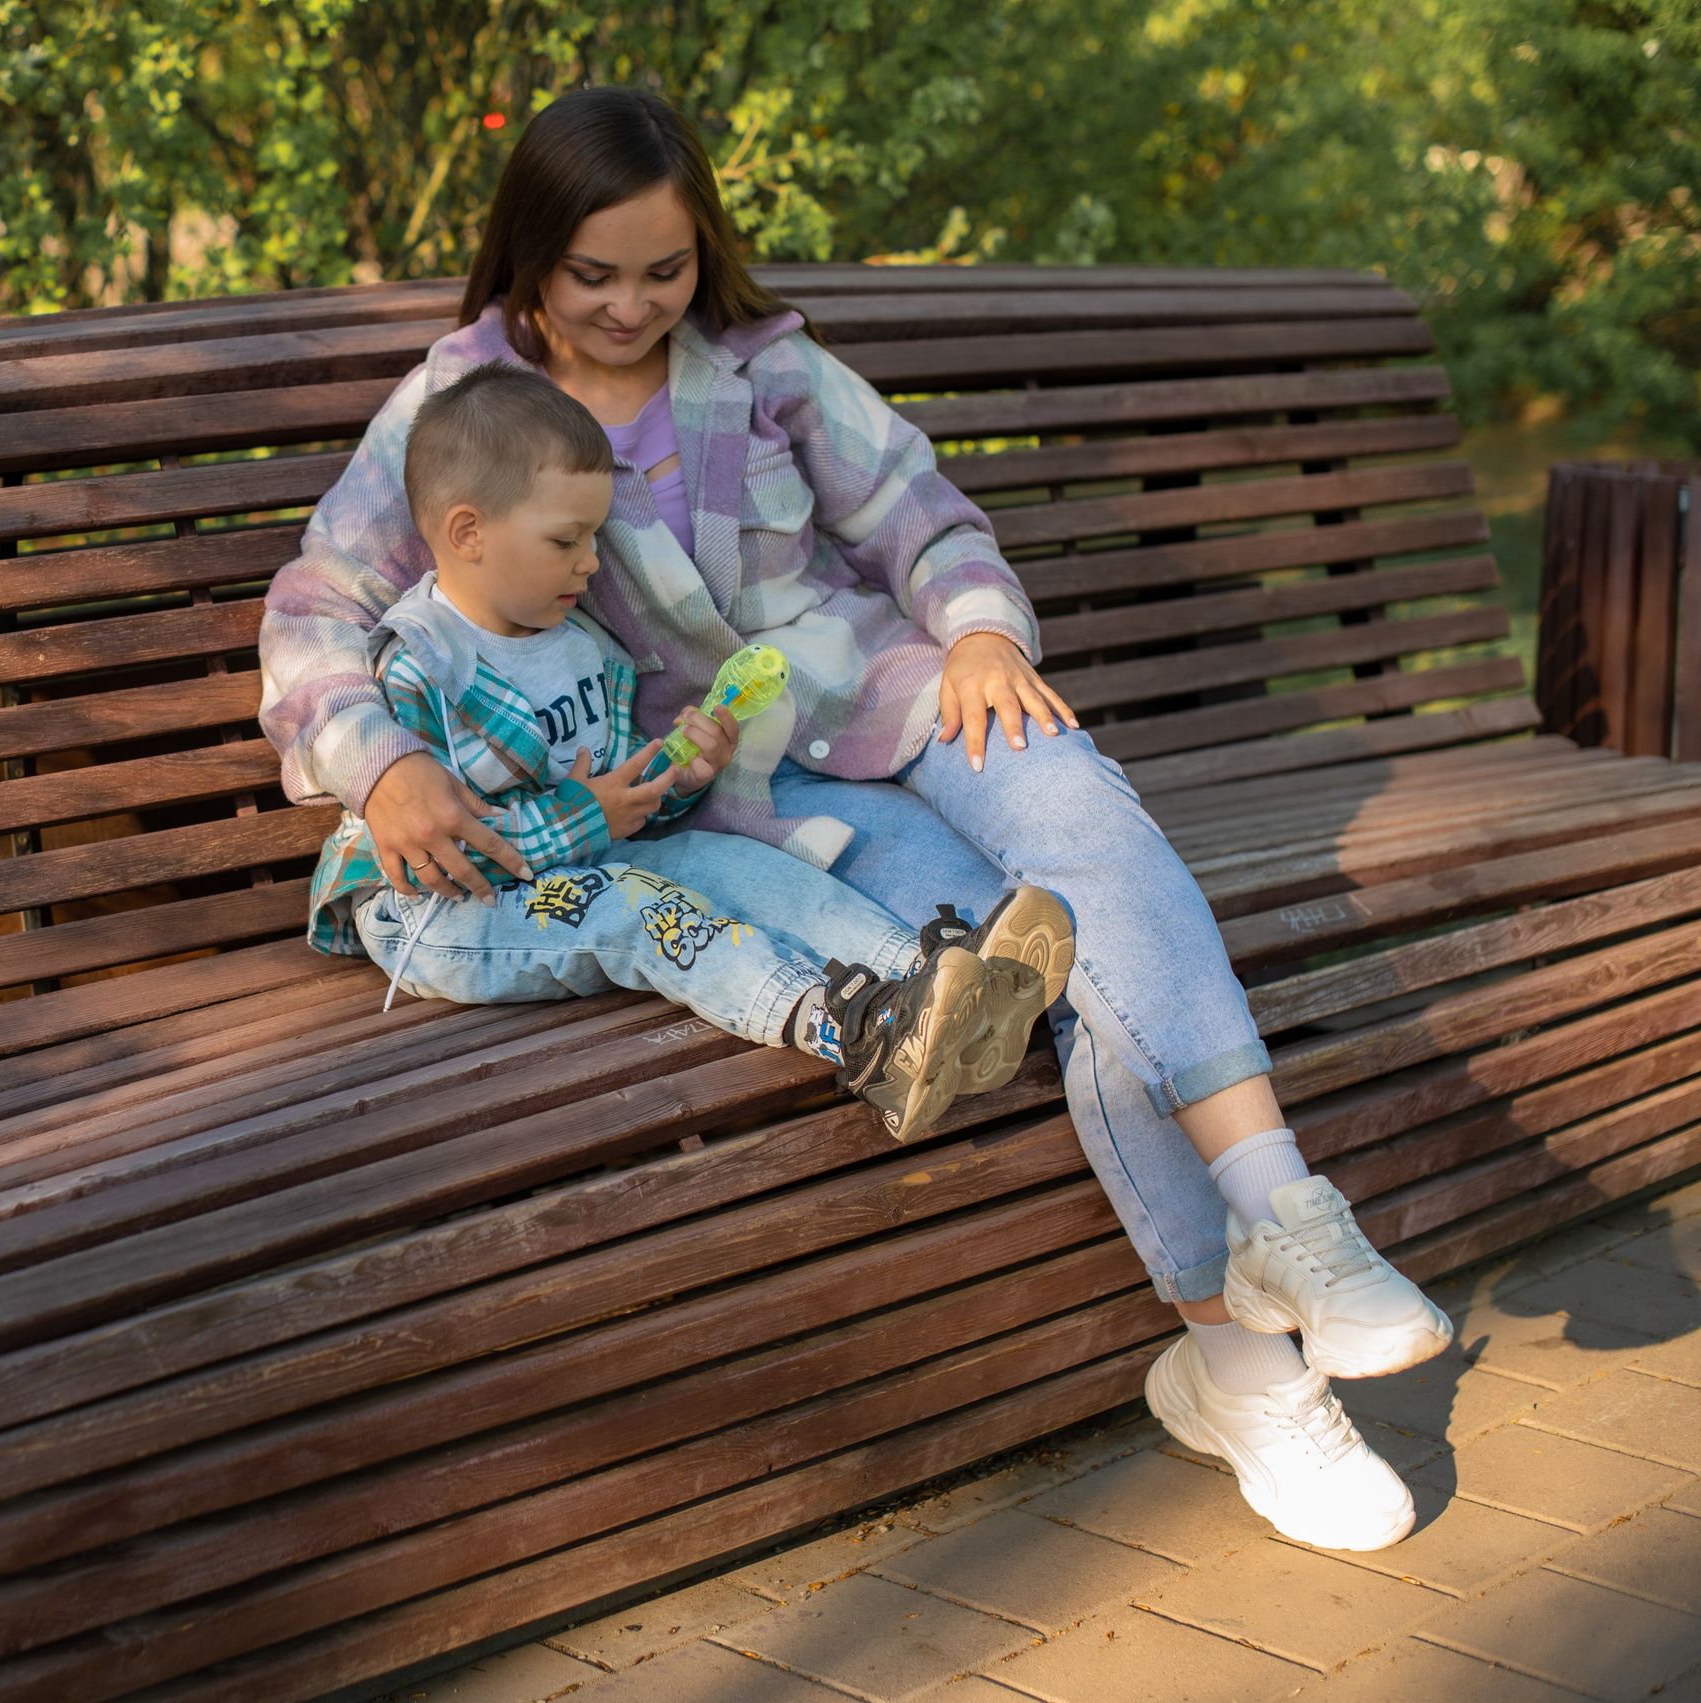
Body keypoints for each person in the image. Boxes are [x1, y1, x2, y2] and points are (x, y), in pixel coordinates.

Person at [258, 86, 1454, 1553]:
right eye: (593, 274)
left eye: (667, 267)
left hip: (890, 688)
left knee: (1081, 806)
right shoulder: (462, 404)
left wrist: (977, 629)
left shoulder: (767, 370)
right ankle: (1243, 1368)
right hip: (752, 789)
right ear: (526, 257)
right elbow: (321, 597)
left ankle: (1292, 1213)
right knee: (1037, 956)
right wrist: (375, 761)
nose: (633, 305)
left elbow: (922, 518)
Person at [306, 359, 1076, 1144]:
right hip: (442, 917)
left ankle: (937, 978)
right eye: (566, 540)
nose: (592, 563)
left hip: (579, 863)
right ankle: (858, 1037)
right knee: (644, 911)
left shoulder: (581, 645)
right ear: (467, 532)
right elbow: (448, 857)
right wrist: (589, 814)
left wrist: (678, 775)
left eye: (594, 538)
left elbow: (621, 798)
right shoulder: (422, 663)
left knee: (726, 859)